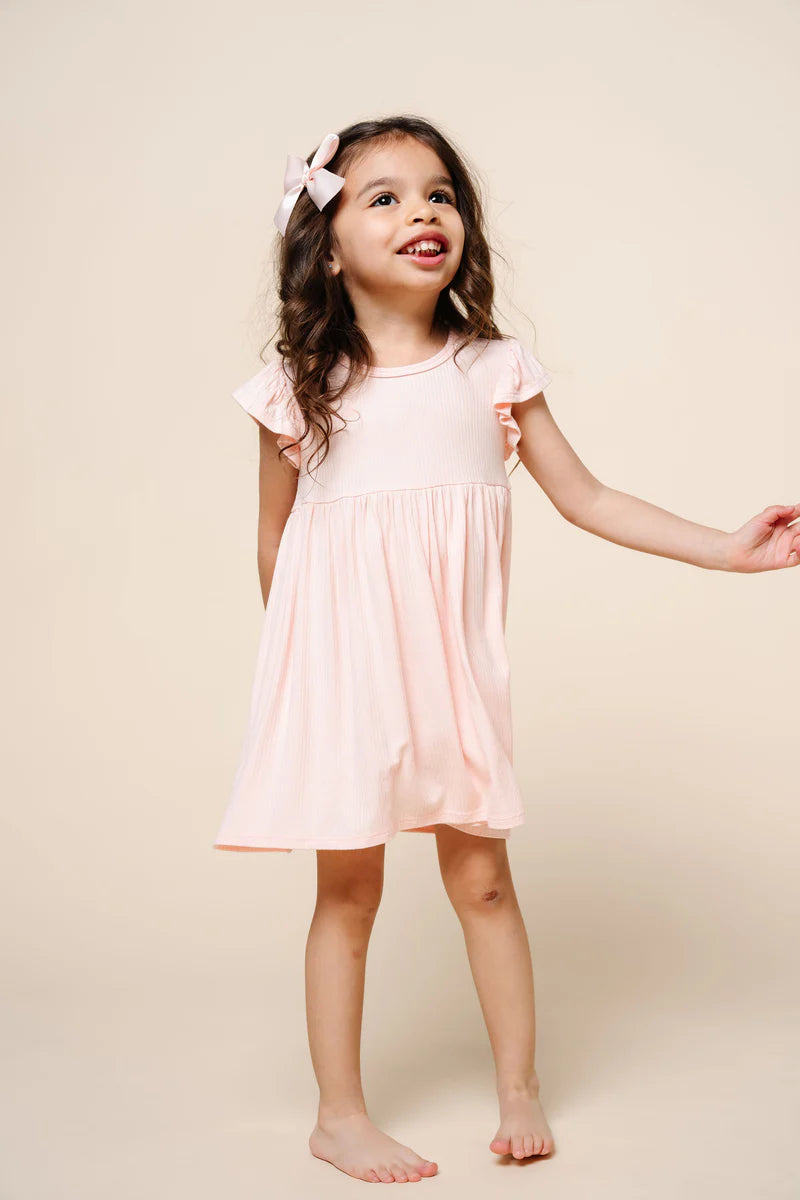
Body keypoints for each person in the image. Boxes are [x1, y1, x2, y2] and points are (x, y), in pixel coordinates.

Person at [213, 116, 800, 1185]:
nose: (422, 211)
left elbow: (588, 497)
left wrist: (723, 549)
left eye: (439, 193)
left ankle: (518, 1086)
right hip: (345, 680)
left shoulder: (492, 369)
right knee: (347, 893)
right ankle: (338, 1116)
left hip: (451, 674)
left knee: (481, 879)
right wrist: (305, 683)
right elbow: (275, 539)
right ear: (325, 245)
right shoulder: (298, 387)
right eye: (384, 196)